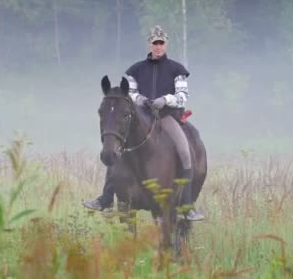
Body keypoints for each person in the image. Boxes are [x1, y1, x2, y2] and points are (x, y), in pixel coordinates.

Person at [83, 25, 204, 221]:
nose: (157, 46)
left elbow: (182, 95)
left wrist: (165, 100)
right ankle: (105, 198)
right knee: (116, 149)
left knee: (184, 151)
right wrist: (141, 100)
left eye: (161, 43)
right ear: (149, 44)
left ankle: (187, 206)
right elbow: (130, 93)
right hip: (142, 116)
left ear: (166, 45)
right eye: (154, 43)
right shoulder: (136, 69)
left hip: (167, 117)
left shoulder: (177, 69)